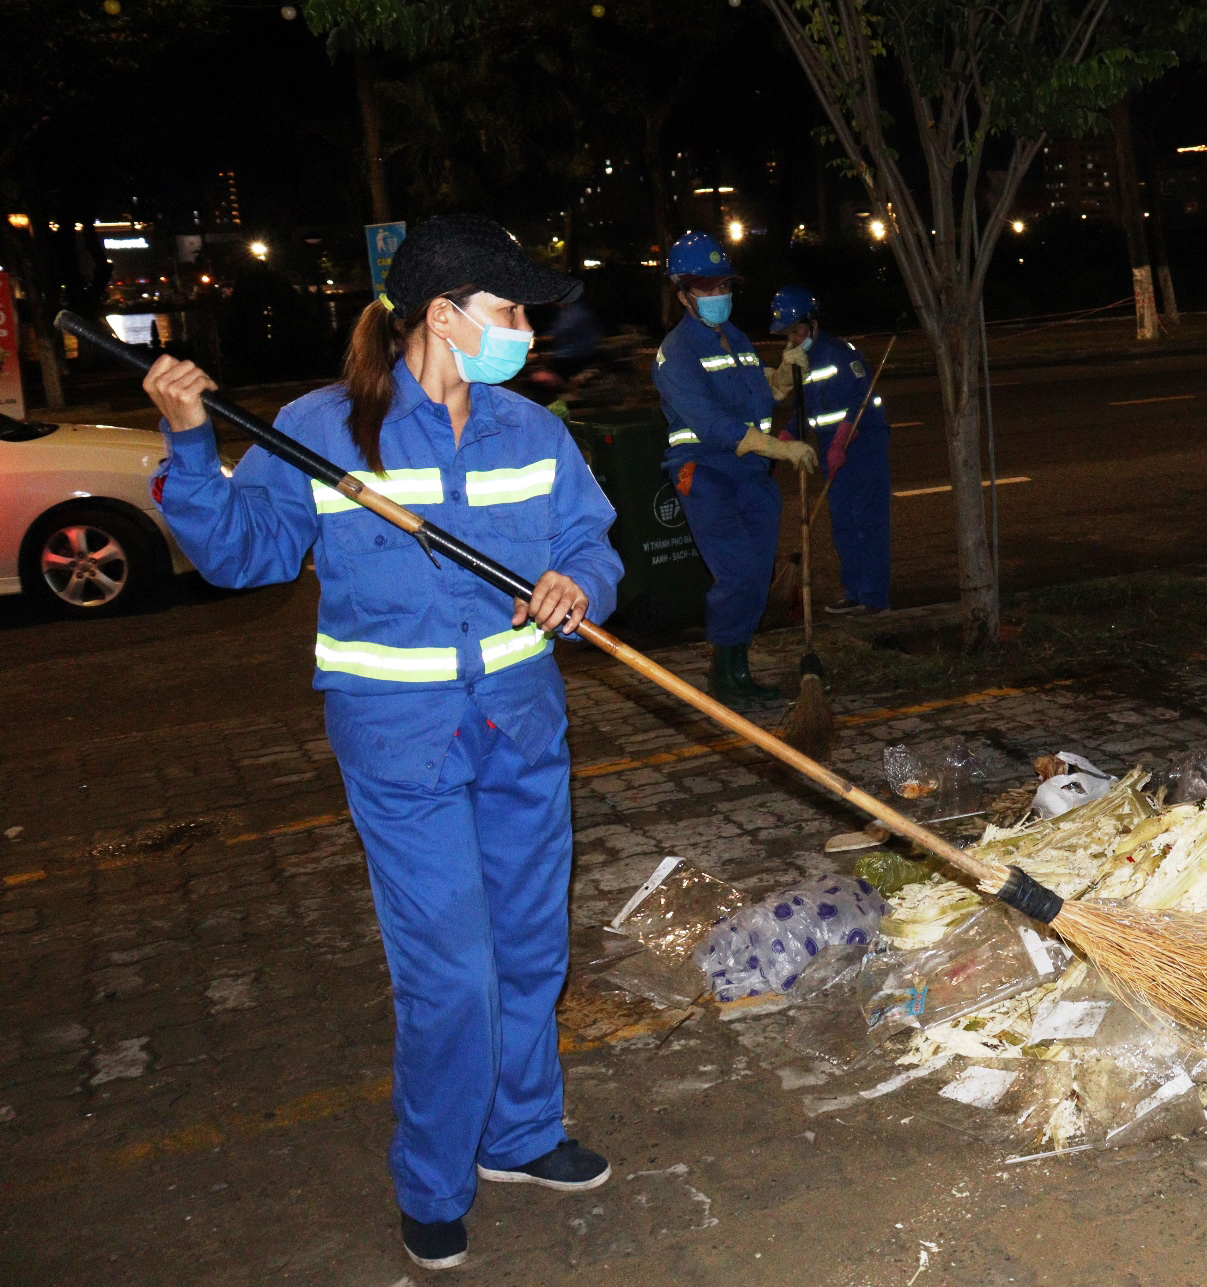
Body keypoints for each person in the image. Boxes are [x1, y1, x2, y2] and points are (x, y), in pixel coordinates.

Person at [141, 214, 624, 1271]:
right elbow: (243, 556)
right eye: (508, 310)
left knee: (532, 948)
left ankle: (521, 1134)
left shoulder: (531, 431)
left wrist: (579, 580)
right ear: (443, 316)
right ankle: (434, 1179)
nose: (524, 331)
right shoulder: (322, 428)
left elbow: (590, 536)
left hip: (520, 728)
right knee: (451, 972)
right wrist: (188, 444)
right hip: (402, 742)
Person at [651, 231, 817, 705]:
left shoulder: (736, 336)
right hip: (705, 474)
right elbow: (714, 424)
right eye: (705, 287)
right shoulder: (675, 354)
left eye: (723, 284)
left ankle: (738, 668)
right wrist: (781, 450)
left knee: (756, 577)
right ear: (682, 293)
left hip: (751, 478)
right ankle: (725, 675)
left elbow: (756, 390)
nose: (717, 294)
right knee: (739, 574)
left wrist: (782, 376)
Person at [766, 285, 892, 615]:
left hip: (863, 445)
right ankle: (854, 592)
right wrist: (781, 441)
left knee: (868, 521)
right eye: (787, 333)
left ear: (814, 323)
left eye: (797, 330)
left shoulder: (840, 352)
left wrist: (841, 442)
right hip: (832, 449)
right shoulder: (800, 361)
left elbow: (860, 400)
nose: (793, 338)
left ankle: (875, 597)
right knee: (843, 522)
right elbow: (805, 409)